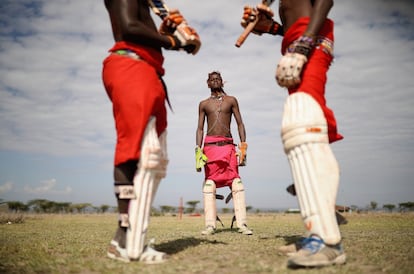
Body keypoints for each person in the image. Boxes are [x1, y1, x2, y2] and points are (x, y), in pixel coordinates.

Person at [240, 0, 346, 268]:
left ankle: (328, 242)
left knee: (303, 123)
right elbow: (291, 19)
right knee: (300, 128)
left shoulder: (306, 39)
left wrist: (304, 43)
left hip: (309, 40)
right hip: (296, 39)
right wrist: (271, 27)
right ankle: (314, 234)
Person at [102, 0, 200, 264]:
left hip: (148, 68)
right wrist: (172, 42)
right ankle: (130, 243)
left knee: (154, 159)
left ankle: (123, 239)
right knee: (139, 150)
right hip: (131, 65)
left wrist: (170, 34)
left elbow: (141, 28)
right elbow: (129, 27)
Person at [195, 71, 253, 236]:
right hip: (210, 147)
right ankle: (210, 226)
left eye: (217, 79)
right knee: (209, 185)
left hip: (228, 147)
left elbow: (240, 123)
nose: (215, 81)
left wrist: (243, 147)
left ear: (222, 82)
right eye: (212, 79)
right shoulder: (203, 104)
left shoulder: (231, 101)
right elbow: (199, 128)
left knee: (236, 183)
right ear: (208, 83)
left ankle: (242, 224)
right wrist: (198, 150)